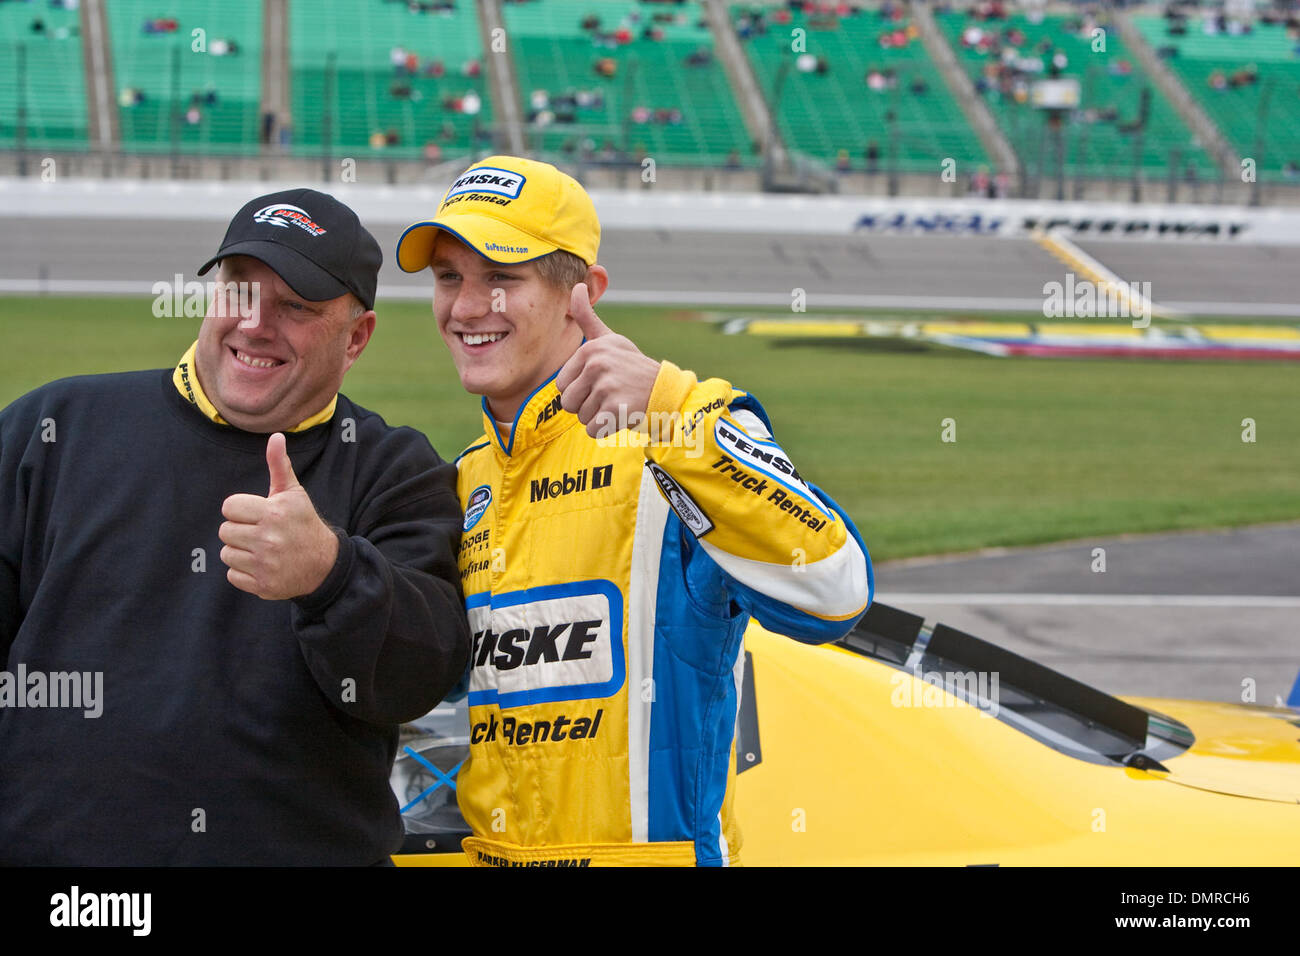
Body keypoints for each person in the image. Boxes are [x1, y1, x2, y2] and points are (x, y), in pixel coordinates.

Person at [395, 157, 872, 867]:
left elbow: (837, 595)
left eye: (502, 277)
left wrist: (674, 413)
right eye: (449, 278)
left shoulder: (676, 431)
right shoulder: (466, 480)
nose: (467, 307)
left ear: (581, 293)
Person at [0, 189, 471, 865]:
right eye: (240, 292)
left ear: (357, 336)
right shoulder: (54, 429)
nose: (255, 325)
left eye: (297, 307)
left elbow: (417, 676)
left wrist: (331, 577)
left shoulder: (395, 471)